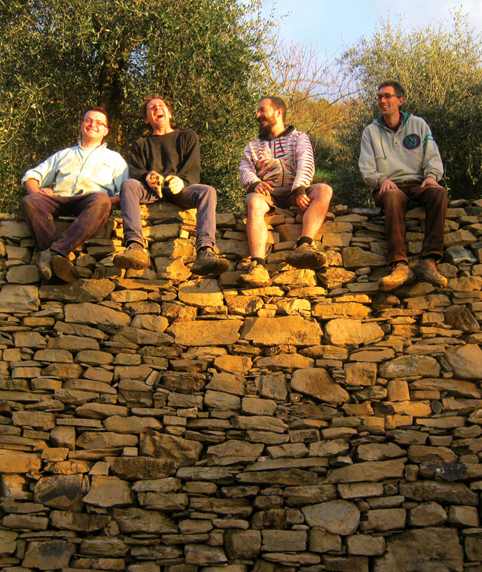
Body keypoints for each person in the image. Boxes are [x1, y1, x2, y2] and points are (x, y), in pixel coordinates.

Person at [113, 95, 229, 276]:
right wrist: (147, 177)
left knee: (208, 191)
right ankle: (135, 246)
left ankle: (205, 251)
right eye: (151, 108)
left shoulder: (187, 136)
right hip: (150, 191)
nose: (157, 109)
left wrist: (181, 181)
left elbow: (193, 170)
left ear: (170, 113)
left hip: (180, 190)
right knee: (128, 184)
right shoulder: (140, 144)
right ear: (146, 119)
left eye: (161, 106)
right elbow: (136, 173)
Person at [359, 80, 448, 291]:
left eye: (387, 96)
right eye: (379, 96)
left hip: (418, 183)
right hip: (389, 186)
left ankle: (429, 260)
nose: (382, 100)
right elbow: (366, 167)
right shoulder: (370, 132)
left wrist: (432, 176)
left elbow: (432, 155)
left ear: (400, 100)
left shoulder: (418, 125)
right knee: (393, 197)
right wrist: (382, 179)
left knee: (439, 193)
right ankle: (398, 265)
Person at [21, 107, 128, 283]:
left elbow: (124, 192)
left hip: (91, 201)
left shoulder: (115, 159)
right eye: (88, 120)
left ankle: (53, 253)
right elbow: (31, 176)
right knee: (30, 201)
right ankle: (54, 255)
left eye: (99, 123)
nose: (93, 124)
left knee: (101, 199)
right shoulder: (64, 154)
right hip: (60, 199)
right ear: (81, 124)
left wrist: (105, 202)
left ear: (106, 131)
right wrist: (39, 192)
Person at [238, 96, 333, 287]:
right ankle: (258, 265)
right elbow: (245, 169)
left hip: (294, 191)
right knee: (254, 202)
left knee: (324, 190)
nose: (258, 115)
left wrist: (300, 188)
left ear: (278, 112)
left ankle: (304, 244)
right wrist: (255, 183)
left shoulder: (299, 137)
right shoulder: (252, 146)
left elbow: (306, 161)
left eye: (262, 110)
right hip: (267, 195)